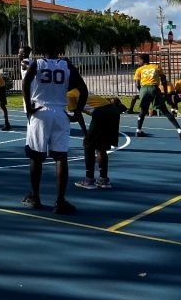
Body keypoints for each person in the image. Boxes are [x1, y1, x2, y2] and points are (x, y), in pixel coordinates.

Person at [22, 46, 87, 215]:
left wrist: (29, 106)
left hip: (40, 112)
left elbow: (25, 83)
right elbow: (83, 89)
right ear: (60, 50)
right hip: (60, 112)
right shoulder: (66, 65)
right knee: (60, 157)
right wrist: (77, 112)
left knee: (36, 157)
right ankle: (60, 201)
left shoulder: (37, 63)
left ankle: (35, 197)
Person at [68, 89, 127, 190]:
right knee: (101, 147)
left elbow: (77, 117)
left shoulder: (69, 95)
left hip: (101, 113)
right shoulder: (79, 90)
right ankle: (104, 179)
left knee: (88, 145)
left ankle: (89, 180)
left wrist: (85, 134)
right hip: (113, 111)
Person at [133, 53, 181, 138]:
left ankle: (138, 130)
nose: (138, 62)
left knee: (143, 110)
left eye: (139, 60)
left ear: (143, 60)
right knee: (165, 111)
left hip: (144, 88)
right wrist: (165, 93)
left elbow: (137, 84)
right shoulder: (156, 67)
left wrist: (141, 92)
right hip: (154, 88)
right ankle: (179, 131)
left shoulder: (139, 70)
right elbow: (164, 80)